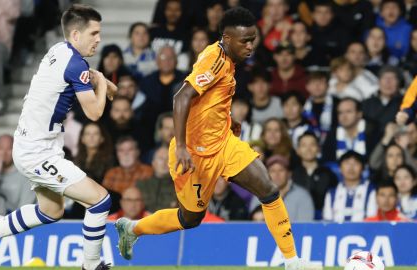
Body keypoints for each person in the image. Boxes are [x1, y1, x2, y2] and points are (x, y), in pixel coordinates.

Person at [115, 7, 322, 270]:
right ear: (227, 37)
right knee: (189, 218)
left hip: (223, 144)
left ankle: (292, 261)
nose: (250, 46)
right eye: (245, 41)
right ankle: (133, 228)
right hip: (194, 154)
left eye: (253, 39)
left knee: (269, 191)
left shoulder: (228, 59)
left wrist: (228, 121)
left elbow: (212, 99)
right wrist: (181, 147)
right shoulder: (214, 59)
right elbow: (181, 97)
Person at [0, 5, 117, 270]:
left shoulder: (59, 50)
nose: (99, 39)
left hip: (34, 144)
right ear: (76, 35)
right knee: (100, 200)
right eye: (94, 33)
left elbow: (82, 74)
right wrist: (102, 84)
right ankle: (91, 266)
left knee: (51, 211)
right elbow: (94, 113)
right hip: (37, 151)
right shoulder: (75, 63)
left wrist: (99, 79)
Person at [249, 155, 315, 222]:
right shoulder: (259, 195)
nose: (277, 174)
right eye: (272, 171)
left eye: (281, 170)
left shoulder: (302, 195)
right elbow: (254, 225)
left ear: (289, 173)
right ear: (267, 174)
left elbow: (305, 226)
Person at [0, 135, 35, 213]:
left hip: (13, 219)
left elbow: (25, 208)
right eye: (1, 149)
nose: (4, 154)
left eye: (9, 149)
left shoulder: (25, 174)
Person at [323, 151, 377, 222]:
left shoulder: (371, 190)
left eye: (356, 164)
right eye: (347, 163)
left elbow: (372, 219)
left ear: (363, 169)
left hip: (364, 232)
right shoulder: (332, 192)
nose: (351, 168)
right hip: (337, 232)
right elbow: (327, 221)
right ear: (340, 168)